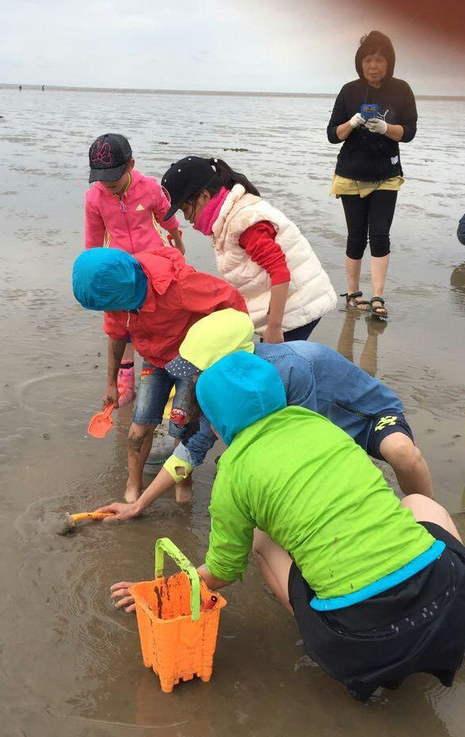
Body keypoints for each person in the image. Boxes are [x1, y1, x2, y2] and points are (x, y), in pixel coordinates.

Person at [110, 352, 465, 702]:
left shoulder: (233, 475)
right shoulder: (319, 424)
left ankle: (323, 638)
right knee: (420, 503)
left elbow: (221, 573)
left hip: (360, 642)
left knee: (263, 540)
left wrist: (160, 589)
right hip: (445, 605)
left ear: (216, 424)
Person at [96, 308, 432, 519]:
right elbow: (191, 450)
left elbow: (309, 445)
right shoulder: (228, 388)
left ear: (230, 360)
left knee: (401, 452)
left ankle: (431, 516)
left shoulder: (292, 370)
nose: (194, 379)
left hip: (366, 417)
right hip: (321, 432)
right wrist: (140, 505)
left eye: (200, 370)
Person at [71, 247, 247, 503]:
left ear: (127, 292)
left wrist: (222, 355)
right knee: (138, 428)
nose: (111, 312)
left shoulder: (181, 285)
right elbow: (116, 335)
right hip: (154, 361)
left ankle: (182, 484)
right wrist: (111, 384)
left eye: (112, 307)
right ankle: (134, 484)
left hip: (189, 363)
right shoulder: (115, 298)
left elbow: (232, 302)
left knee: (181, 429)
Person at [160, 155, 337, 343]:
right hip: (284, 303)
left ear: (204, 196)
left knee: (279, 364)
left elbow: (280, 271)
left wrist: (275, 327)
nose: (187, 219)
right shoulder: (228, 218)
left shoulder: (243, 223)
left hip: (298, 305)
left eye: (186, 210)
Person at [86, 134, 186, 405]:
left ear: (130, 165)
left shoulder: (150, 188)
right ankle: (125, 377)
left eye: (115, 184)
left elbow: (166, 214)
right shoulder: (94, 198)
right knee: (122, 324)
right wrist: (92, 271)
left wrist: (177, 239)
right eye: (104, 184)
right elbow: (93, 239)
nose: (110, 190)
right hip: (118, 267)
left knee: (159, 319)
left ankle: (161, 372)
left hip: (153, 263)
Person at [327, 31, 417, 320]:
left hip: (386, 174)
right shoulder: (349, 91)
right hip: (351, 173)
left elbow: (410, 132)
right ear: (360, 62)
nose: (373, 65)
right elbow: (332, 135)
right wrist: (352, 122)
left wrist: (385, 128)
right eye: (368, 59)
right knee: (356, 236)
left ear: (388, 62)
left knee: (380, 235)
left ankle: (377, 296)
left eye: (379, 59)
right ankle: (354, 294)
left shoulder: (401, 89)